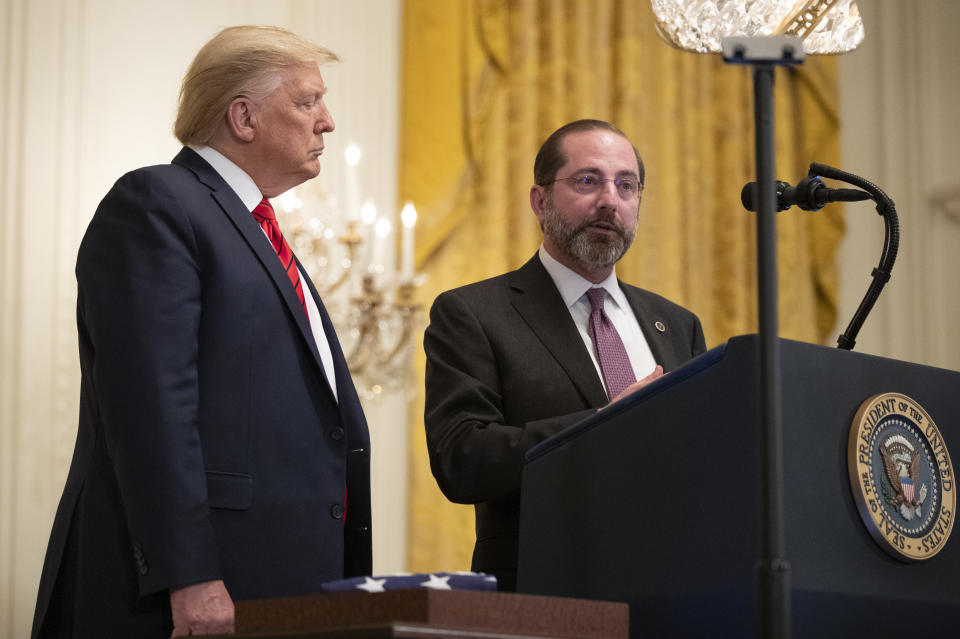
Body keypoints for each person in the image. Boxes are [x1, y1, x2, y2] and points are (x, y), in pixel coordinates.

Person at [30, 26, 371, 638]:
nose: (328, 122)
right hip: (192, 594)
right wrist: (189, 574)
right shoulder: (159, 203)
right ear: (243, 117)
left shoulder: (255, 229)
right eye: (308, 101)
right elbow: (151, 407)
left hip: (281, 583)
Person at [423, 119, 706, 592]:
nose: (609, 200)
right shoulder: (473, 314)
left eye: (626, 185)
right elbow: (461, 460)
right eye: (587, 180)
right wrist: (605, 424)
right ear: (540, 200)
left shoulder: (677, 324)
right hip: (544, 592)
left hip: (672, 591)